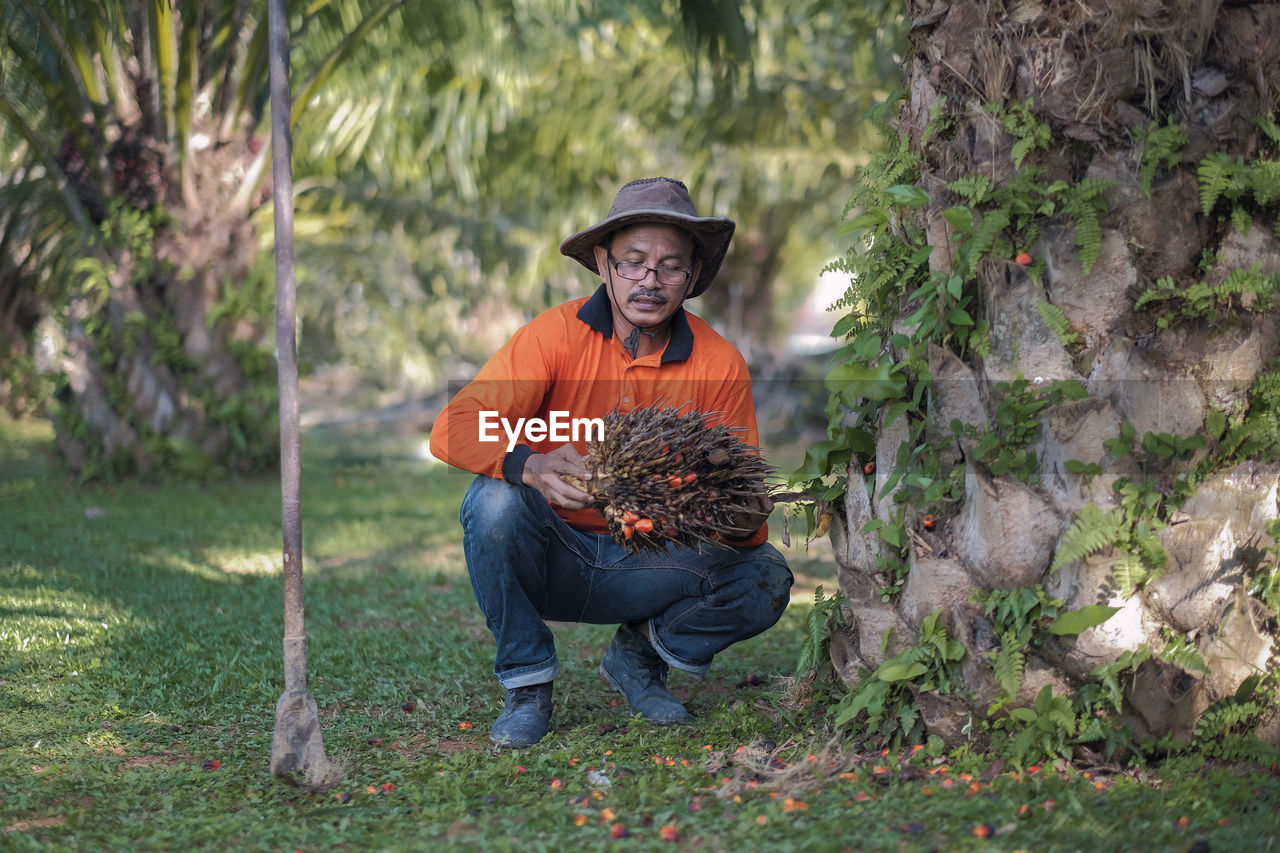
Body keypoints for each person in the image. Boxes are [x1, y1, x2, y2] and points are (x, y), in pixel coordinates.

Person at [430, 177, 793, 747]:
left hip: (648, 565)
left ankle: (639, 658)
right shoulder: (554, 335)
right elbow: (453, 425)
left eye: (671, 266)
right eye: (634, 261)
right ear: (604, 263)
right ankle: (527, 684)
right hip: (553, 555)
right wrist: (531, 464)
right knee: (494, 499)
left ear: (692, 276)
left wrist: (742, 514)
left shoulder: (719, 364)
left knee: (763, 577)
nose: (650, 280)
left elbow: (741, 522)